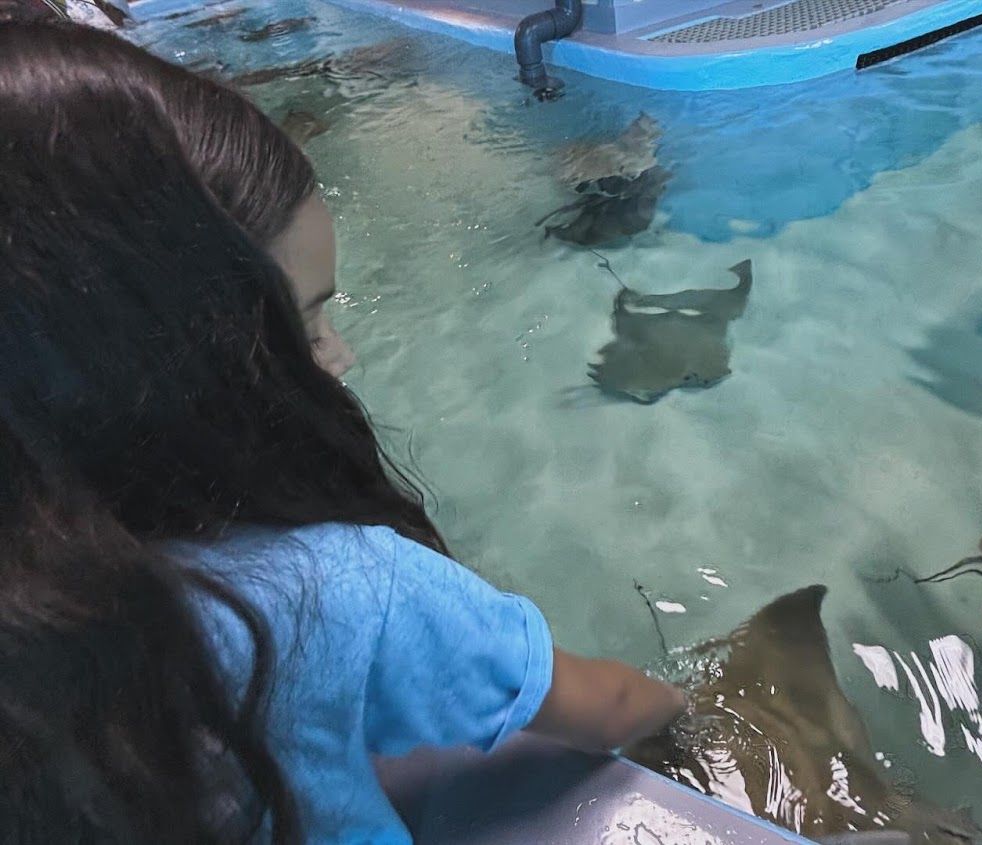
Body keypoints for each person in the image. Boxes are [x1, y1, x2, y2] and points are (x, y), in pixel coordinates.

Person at [0, 20, 686, 845]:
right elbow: (599, 704)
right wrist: (686, 710)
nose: (342, 354)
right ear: (179, 365)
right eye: (305, 325)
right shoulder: (332, 587)